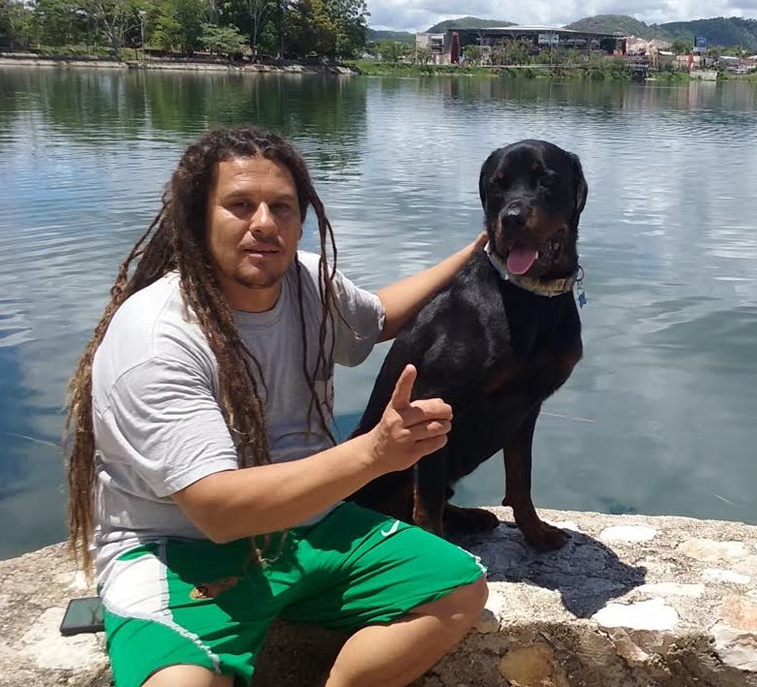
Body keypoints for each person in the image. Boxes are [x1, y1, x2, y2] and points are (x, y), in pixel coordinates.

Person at [62, 126, 489, 687]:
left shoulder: (307, 281)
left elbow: (380, 317)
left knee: (457, 591)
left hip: (305, 527)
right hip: (176, 549)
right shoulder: (157, 336)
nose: (264, 223)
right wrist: (376, 454)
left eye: (282, 208)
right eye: (240, 205)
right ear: (196, 218)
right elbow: (219, 512)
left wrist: (477, 252)